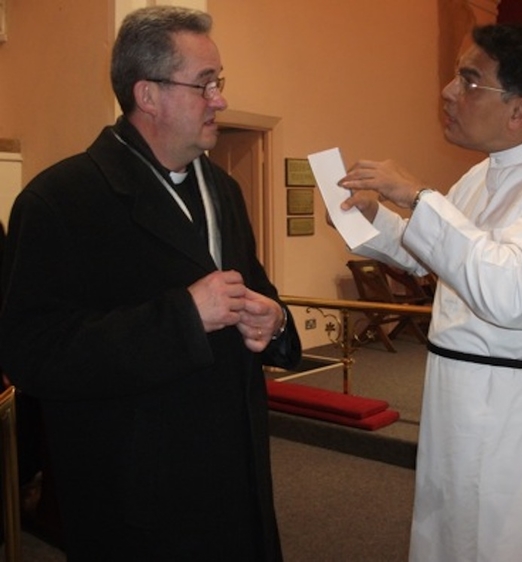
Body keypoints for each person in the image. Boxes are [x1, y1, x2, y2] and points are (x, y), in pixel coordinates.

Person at [0, 6, 301, 561]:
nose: (221, 99)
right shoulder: (58, 201)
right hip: (137, 495)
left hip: (238, 478)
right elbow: (33, 352)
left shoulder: (224, 190)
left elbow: (256, 288)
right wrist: (183, 318)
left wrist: (275, 320)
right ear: (148, 95)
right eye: (205, 83)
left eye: (220, 81)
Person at [336, 24, 522, 562]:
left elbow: (511, 294)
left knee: (508, 537)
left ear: (519, 110)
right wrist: (376, 221)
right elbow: (448, 260)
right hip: (461, 392)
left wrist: (420, 196)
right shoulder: (479, 178)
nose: (447, 91)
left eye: (469, 80)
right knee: (454, 527)